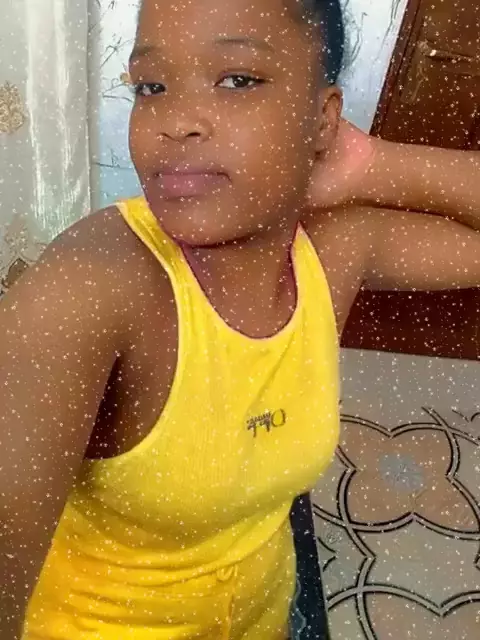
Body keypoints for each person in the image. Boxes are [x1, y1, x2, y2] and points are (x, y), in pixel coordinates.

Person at [0, 0, 478, 638]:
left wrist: (372, 164)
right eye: (151, 86)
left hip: (261, 610)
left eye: (237, 79)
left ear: (323, 117)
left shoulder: (332, 250)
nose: (176, 122)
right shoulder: (89, 288)